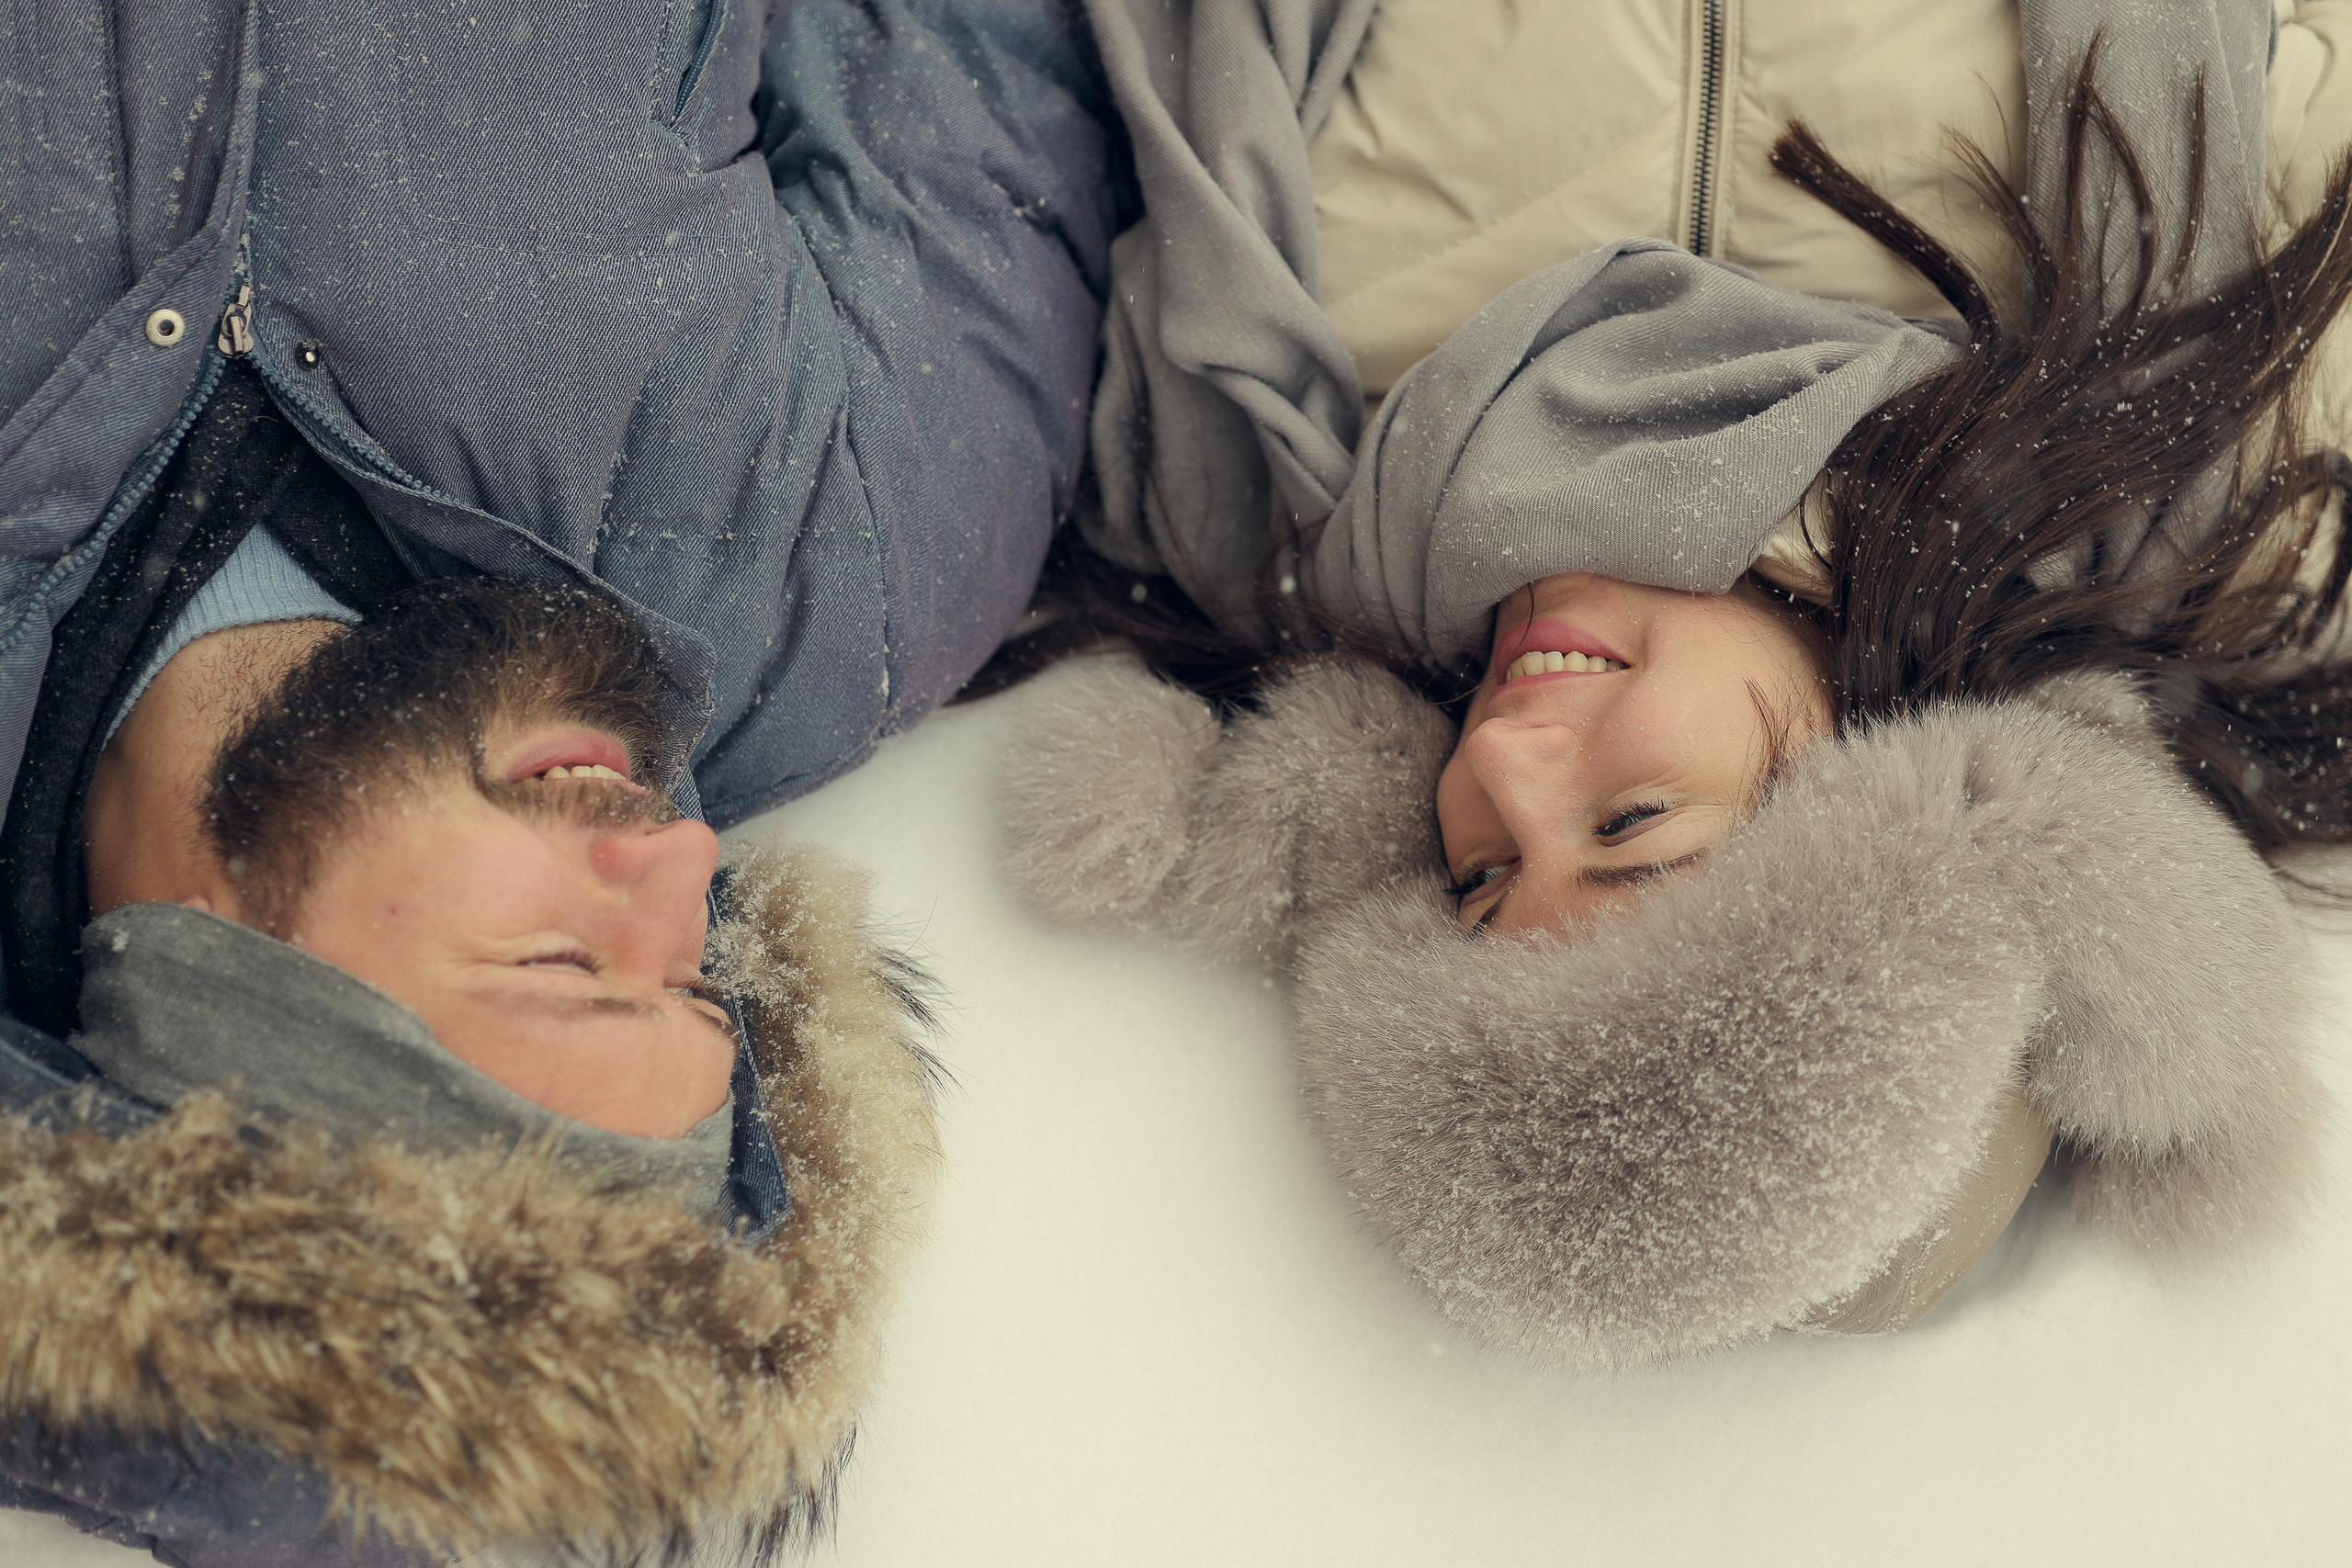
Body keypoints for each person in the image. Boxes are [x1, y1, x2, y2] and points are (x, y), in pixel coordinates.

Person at [992, 0, 2352, 1362]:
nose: (1504, 767)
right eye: (1631, 827)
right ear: (1872, 782)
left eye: (1473, 881)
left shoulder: (1247, 446)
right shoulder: (2224, 453)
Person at [0, 0, 1125, 1561]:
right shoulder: (848, 575)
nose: (681, 868)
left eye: (563, 966)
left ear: (218, 979)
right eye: (701, 991)